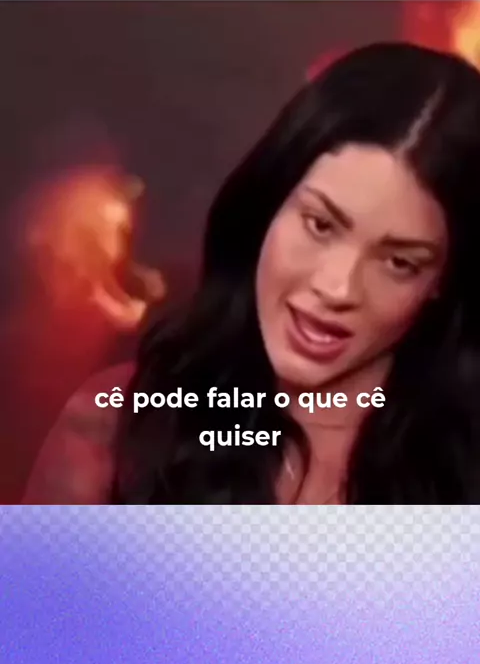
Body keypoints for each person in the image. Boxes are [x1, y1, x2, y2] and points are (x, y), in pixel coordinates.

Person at [24, 42, 480, 505]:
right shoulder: (114, 429)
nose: (338, 288)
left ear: (443, 280)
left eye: (399, 262)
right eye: (320, 225)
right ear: (270, 202)